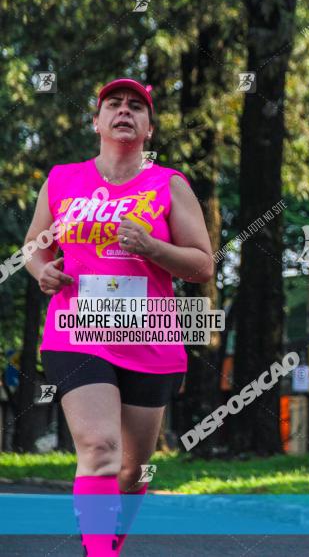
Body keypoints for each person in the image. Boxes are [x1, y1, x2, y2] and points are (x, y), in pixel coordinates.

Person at [24, 78, 213, 556]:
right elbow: (34, 247)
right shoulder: (63, 179)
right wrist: (45, 272)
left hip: (149, 339)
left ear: (149, 128)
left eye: (136, 107)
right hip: (77, 331)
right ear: (97, 121)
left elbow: (202, 263)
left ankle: (108, 543)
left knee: (131, 469)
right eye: (114, 104)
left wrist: (152, 247)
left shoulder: (169, 184)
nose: (124, 111)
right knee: (101, 451)